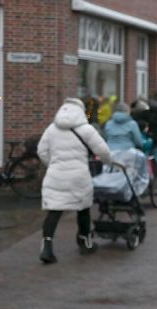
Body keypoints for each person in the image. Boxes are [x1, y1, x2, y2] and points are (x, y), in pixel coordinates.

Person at [36, 98, 113, 264]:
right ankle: (85, 242)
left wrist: (53, 164)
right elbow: (103, 151)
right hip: (79, 176)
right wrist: (109, 163)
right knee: (83, 208)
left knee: (54, 211)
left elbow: (41, 151)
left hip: (55, 175)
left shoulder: (51, 129)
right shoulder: (87, 130)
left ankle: (47, 247)